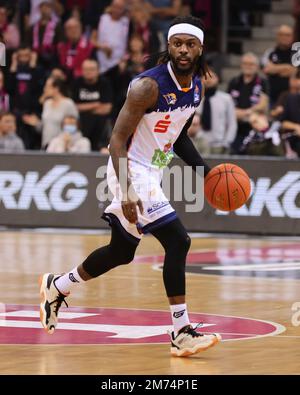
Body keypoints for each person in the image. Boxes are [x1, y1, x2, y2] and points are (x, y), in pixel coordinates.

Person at [39, 15, 221, 357]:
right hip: (129, 168)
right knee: (178, 241)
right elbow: (116, 141)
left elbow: (178, 136)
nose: (183, 50)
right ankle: (181, 331)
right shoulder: (147, 87)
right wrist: (127, 190)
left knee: (122, 253)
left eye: (190, 44)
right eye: (177, 43)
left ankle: (58, 285)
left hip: (153, 170)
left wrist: (205, 172)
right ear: (168, 46)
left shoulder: (198, 85)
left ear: (200, 48)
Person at [228, 52, 269, 154]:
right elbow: (227, 102)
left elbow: (263, 104)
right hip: (235, 124)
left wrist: (246, 112)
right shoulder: (235, 81)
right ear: (241, 65)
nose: (248, 66)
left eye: (251, 64)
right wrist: (236, 113)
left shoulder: (262, 82)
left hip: (253, 125)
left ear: (257, 66)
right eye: (245, 63)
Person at [23, 77, 78, 148]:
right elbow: (45, 127)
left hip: (61, 146)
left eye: (47, 86)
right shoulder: (47, 104)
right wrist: (36, 123)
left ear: (56, 88)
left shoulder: (68, 103)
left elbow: (75, 126)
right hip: (46, 145)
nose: (44, 89)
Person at [72, 59, 113, 152]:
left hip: (100, 125)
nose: (88, 72)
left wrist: (83, 108)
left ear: (98, 70)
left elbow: (107, 108)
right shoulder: (77, 83)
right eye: (85, 69)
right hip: (81, 122)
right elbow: (74, 107)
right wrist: (95, 104)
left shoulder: (104, 83)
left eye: (91, 69)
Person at [198, 69, 237, 154]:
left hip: (219, 144)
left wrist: (227, 142)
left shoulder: (226, 99)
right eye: (205, 77)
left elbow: (232, 123)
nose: (208, 80)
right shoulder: (194, 99)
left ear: (217, 79)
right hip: (198, 144)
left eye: (211, 77)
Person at [261, 25, 295, 106]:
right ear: (277, 36)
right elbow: (266, 69)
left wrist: (275, 69)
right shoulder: (270, 52)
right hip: (272, 97)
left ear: (293, 37)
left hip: (293, 97)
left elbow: (295, 71)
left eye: (287, 35)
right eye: (281, 34)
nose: (284, 37)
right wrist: (287, 67)